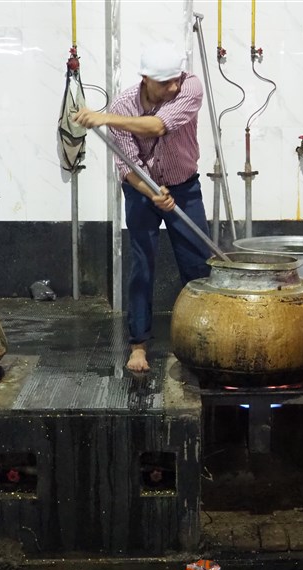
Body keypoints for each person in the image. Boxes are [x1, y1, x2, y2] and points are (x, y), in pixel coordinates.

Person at [75, 42, 212, 373]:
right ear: (146, 79)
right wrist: (152, 193)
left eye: (176, 79)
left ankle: (205, 340)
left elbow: (159, 126)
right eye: (165, 82)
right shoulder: (124, 105)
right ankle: (138, 345)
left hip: (184, 187)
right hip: (140, 190)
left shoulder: (190, 87)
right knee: (142, 266)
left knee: (198, 265)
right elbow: (127, 165)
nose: (173, 87)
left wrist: (106, 118)